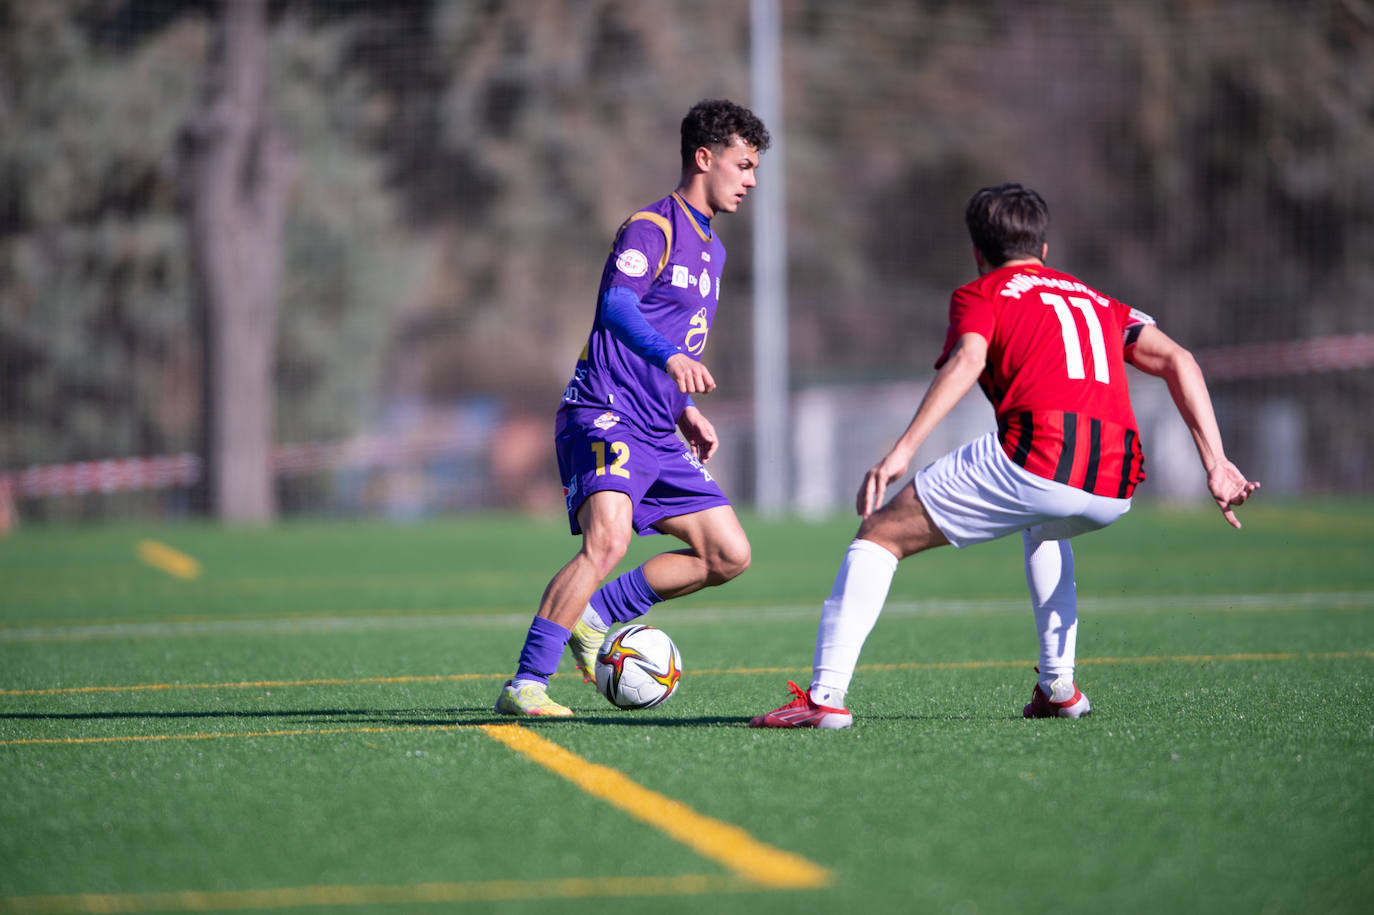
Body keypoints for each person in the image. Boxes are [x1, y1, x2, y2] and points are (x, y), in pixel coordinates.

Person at [751, 183, 1260, 729]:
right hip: (1116, 478)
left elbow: (970, 358)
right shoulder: (1098, 301)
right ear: (1043, 249)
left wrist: (902, 450)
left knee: (879, 535)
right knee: (1045, 527)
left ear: (977, 252)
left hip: (1039, 454)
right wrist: (1216, 462)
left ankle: (823, 699)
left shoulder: (983, 292)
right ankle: (1058, 687)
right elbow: (1179, 359)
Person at [495, 99, 771, 717]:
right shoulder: (653, 227)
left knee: (728, 554)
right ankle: (527, 684)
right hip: (603, 411)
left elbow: (676, 329)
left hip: (656, 424)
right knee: (608, 542)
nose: (751, 180)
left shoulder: (714, 251)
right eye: (743, 164)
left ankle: (596, 617)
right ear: (705, 159)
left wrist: (681, 409)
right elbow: (618, 307)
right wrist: (672, 359)